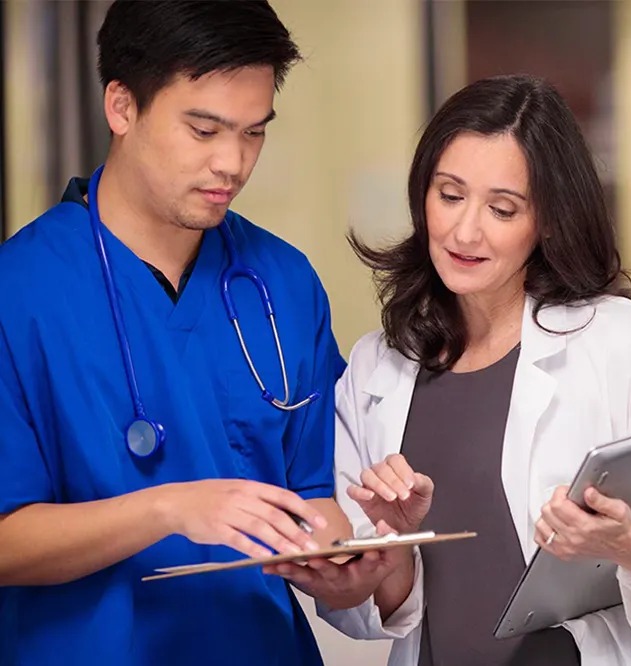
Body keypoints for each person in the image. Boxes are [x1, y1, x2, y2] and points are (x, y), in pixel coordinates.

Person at [278, 74, 631, 665]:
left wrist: (628, 545)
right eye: (449, 195)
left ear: (548, 221)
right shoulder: (380, 365)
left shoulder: (617, 342)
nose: (465, 230)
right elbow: (375, 610)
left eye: (502, 208)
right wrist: (391, 543)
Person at [0, 2, 397, 665]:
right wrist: (167, 510)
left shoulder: (283, 284)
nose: (233, 164)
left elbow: (314, 498)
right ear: (121, 107)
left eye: (253, 133)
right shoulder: (21, 292)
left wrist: (346, 563)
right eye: (205, 129)